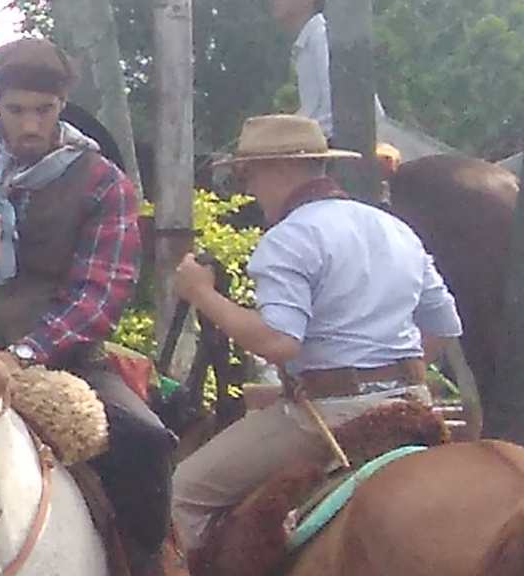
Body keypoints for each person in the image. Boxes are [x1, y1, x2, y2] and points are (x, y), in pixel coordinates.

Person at [0, 37, 183, 576]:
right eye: (17, 109)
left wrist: (22, 353)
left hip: (68, 362)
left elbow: (99, 293)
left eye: (43, 110)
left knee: (144, 440)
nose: (30, 124)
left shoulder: (102, 181)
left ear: (61, 107)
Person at [167, 113, 468, 551]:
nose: (248, 189)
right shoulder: (394, 227)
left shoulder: (289, 238)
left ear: (284, 168)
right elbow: (443, 326)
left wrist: (201, 294)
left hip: (329, 417)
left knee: (184, 492)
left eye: (249, 174)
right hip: (412, 404)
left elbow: (279, 341)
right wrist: (382, 373)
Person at [274, 0, 332, 137]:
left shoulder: (322, 37)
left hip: (336, 152)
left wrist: (293, 138)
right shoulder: (309, 42)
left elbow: (339, 108)